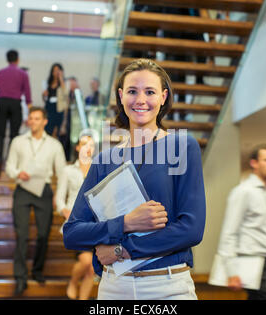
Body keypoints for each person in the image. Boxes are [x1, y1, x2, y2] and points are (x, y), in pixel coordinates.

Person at [63, 58, 206, 300]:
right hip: (114, 288)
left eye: (149, 92)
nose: (140, 100)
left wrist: (122, 250)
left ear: (163, 97)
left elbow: (191, 229)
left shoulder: (181, 146)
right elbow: (73, 233)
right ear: (120, 96)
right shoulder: (104, 159)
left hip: (167, 286)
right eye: (132, 91)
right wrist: (127, 223)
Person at [5, 107, 66, 297]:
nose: (33, 122)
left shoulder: (54, 144)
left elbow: (62, 172)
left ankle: (37, 270)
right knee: (22, 235)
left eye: (37, 118)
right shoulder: (18, 141)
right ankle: (20, 278)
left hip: (44, 190)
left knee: (42, 234)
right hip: (23, 188)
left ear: (45, 121)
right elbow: (9, 166)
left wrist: (60, 198)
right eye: (30, 118)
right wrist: (17, 174)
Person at [215, 144, 266, 300]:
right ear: (254, 163)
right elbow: (229, 232)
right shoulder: (243, 191)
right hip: (253, 263)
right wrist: (231, 271)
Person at [56, 133, 96, 300]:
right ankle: (73, 282)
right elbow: (59, 198)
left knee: (93, 269)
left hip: (95, 223)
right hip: (75, 223)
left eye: (91, 145)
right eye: (84, 144)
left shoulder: (98, 168)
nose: (87, 148)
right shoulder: (68, 170)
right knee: (86, 262)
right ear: (77, 147)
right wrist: (64, 210)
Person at [0, 49, 32, 179]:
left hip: (1, 103)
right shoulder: (23, 74)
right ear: (17, 59)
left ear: (7, 59)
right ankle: (11, 163)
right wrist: (29, 111)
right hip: (15, 104)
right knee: (14, 135)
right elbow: (28, 96)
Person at [43, 63, 68, 139]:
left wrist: (60, 78)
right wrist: (44, 95)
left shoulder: (64, 83)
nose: (56, 72)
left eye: (58, 70)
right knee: (47, 128)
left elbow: (65, 93)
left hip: (58, 108)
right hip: (49, 107)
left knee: (56, 130)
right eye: (54, 70)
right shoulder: (48, 83)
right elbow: (45, 99)